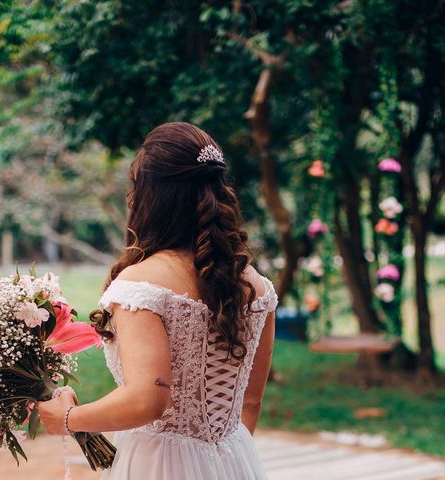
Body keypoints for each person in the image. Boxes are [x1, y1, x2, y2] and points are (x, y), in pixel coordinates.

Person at [38, 122, 277, 479]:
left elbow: (146, 401)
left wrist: (68, 419)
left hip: (158, 466)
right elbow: (251, 401)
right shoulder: (255, 286)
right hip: (232, 457)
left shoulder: (140, 285)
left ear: (151, 196)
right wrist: (219, 465)